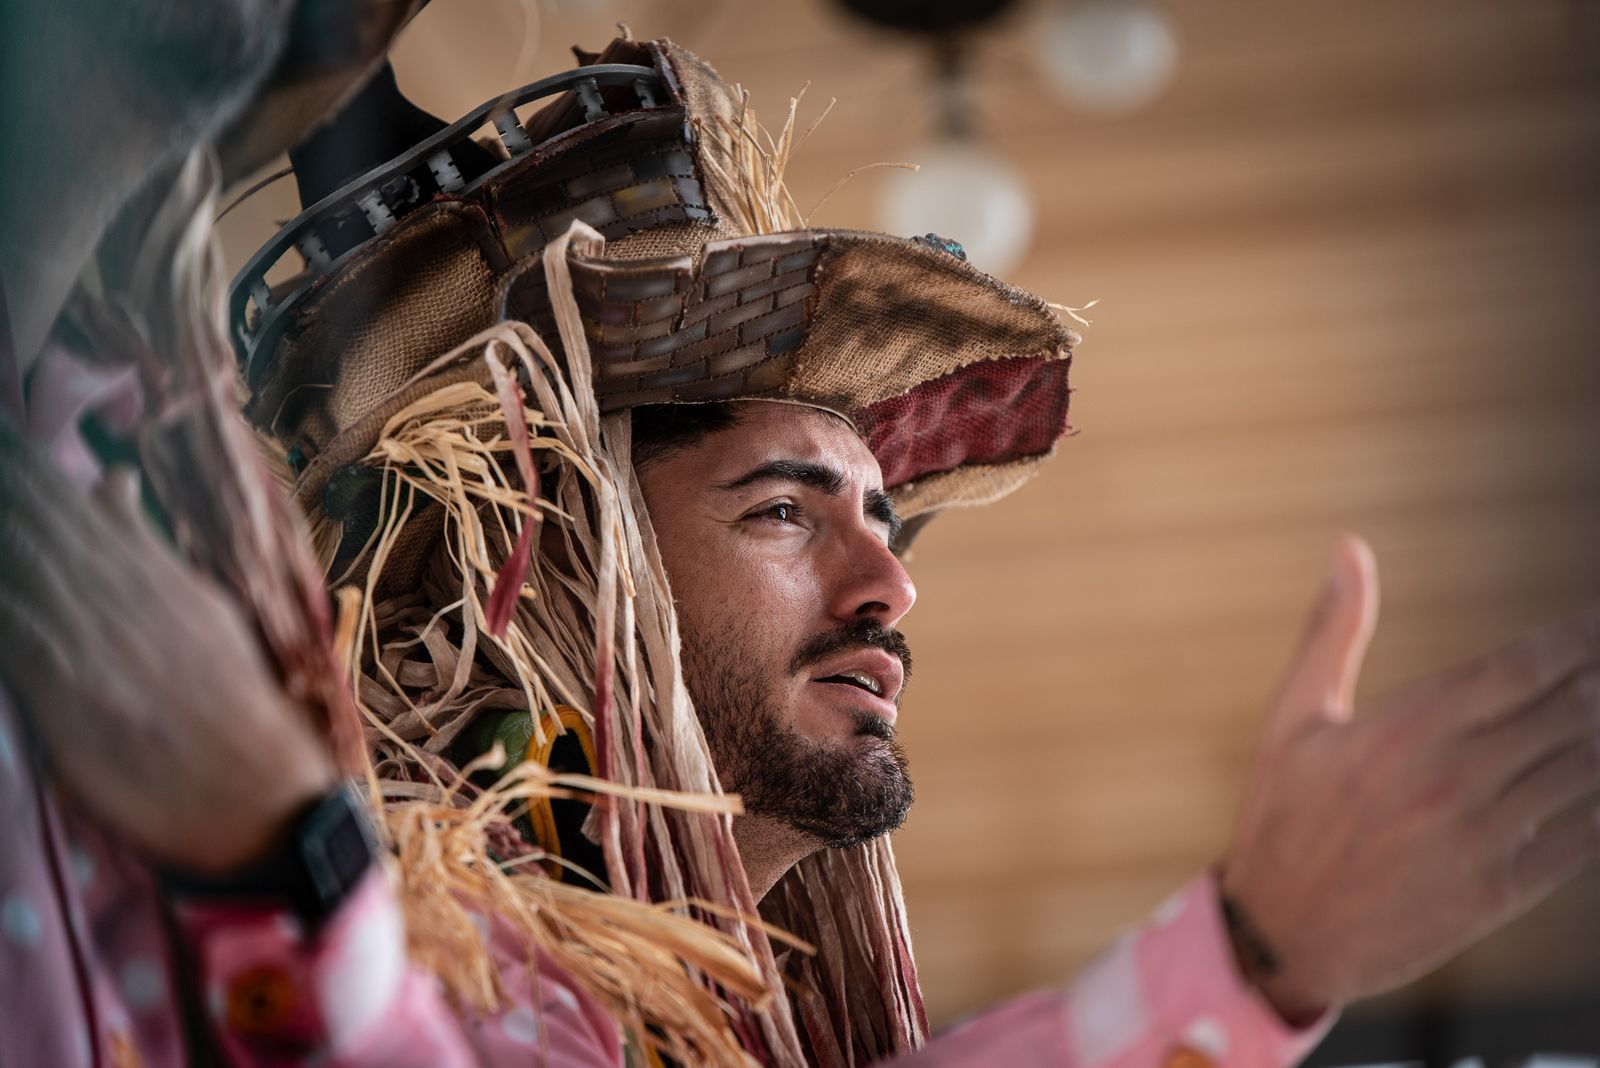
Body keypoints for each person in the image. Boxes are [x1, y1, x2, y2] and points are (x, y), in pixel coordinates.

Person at [1, 15, 1595, 1068]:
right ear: (553, 561)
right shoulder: (430, 957)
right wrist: (1244, 959)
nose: (892, 586)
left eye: (884, 520)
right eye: (784, 510)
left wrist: (1257, 958)